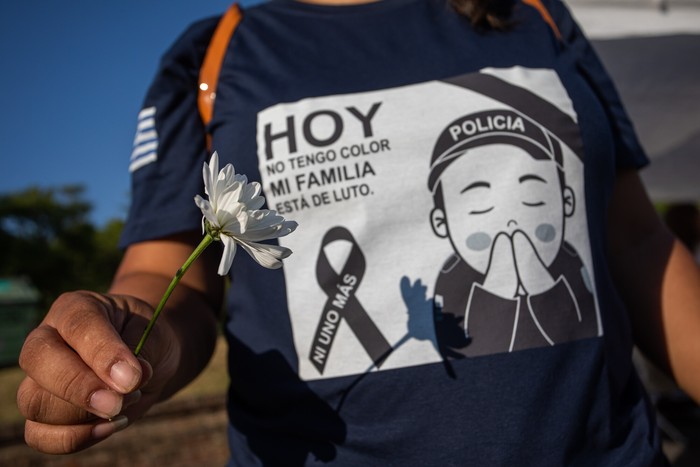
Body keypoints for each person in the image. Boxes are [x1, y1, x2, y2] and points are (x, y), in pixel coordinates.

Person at [16, 0, 700, 465]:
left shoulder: (538, 17)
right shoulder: (217, 57)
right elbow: (170, 280)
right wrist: (132, 338)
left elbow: (637, 242)